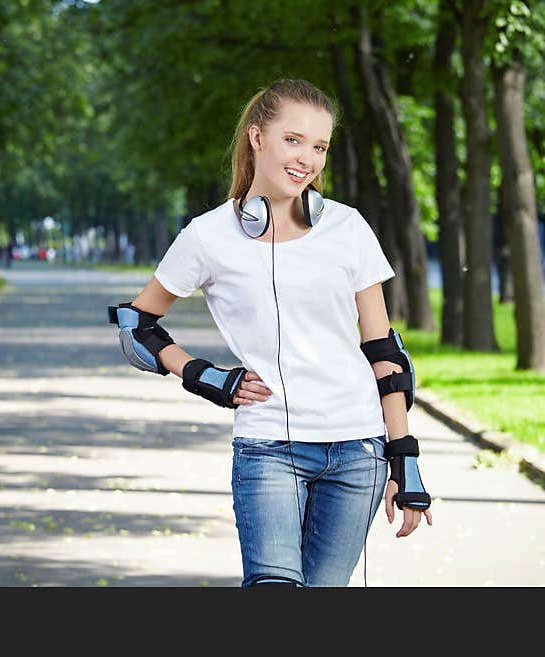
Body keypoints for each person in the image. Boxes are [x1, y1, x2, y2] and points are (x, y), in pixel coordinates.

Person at [108, 79, 433, 587]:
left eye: (320, 146)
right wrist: (206, 376)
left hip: (358, 450)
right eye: (293, 139)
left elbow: (384, 353)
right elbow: (137, 323)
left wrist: (404, 460)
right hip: (268, 448)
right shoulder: (208, 235)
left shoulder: (348, 227)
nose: (307, 158)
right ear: (257, 137)